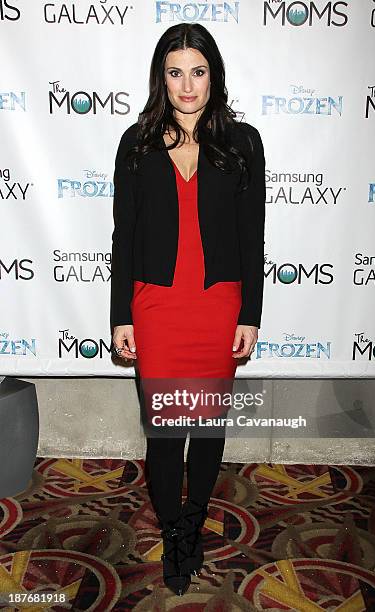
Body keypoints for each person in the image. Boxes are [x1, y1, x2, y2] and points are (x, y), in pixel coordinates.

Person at [110, 23, 266, 596]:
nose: (187, 84)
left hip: (218, 306)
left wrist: (250, 311)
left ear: (213, 74)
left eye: (197, 71)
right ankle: (172, 529)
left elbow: (254, 237)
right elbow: (123, 236)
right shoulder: (138, 142)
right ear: (161, 77)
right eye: (175, 72)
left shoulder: (243, 142)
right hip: (156, 306)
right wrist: (120, 315)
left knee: (205, 429)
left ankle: (192, 526)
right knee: (164, 431)